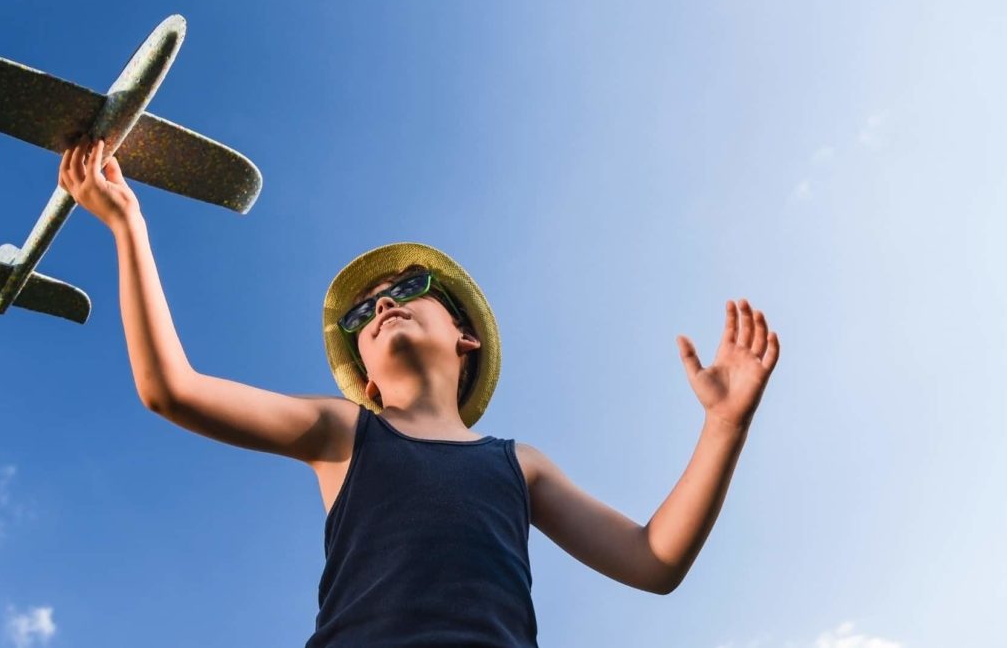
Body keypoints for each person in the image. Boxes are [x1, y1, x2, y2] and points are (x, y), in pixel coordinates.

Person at [57, 136, 783, 646]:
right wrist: (129, 227)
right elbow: (172, 389)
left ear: (464, 337)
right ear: (366, 375)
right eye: (363, 312)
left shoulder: (517, 464)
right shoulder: (343, 431)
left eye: (408, 287)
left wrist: (724, 424)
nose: (383, 306)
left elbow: (653, 561)